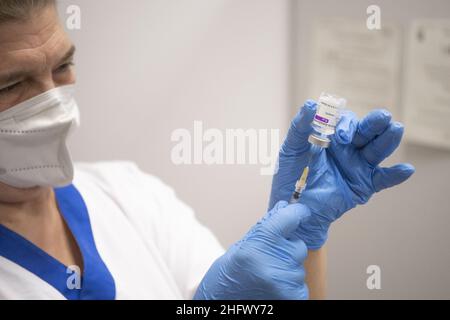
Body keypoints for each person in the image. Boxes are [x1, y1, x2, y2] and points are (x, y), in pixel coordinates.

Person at [0, 0, 414, 300]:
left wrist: (303, 229)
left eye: (61, 67)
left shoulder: (130, 194)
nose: (52, 102)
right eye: (10, 85)